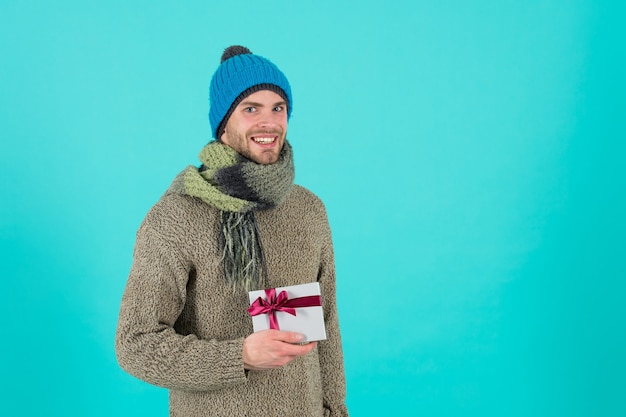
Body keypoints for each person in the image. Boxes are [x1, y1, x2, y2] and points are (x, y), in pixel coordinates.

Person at [115, 45, 349, 417]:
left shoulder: (308, 209)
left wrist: (335, 409)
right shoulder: (177, 216)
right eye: (250, 109)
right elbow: (136, 343)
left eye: (278, 108)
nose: (268, 122)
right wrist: (239, 356)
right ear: (224, 123)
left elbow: (327, 325)